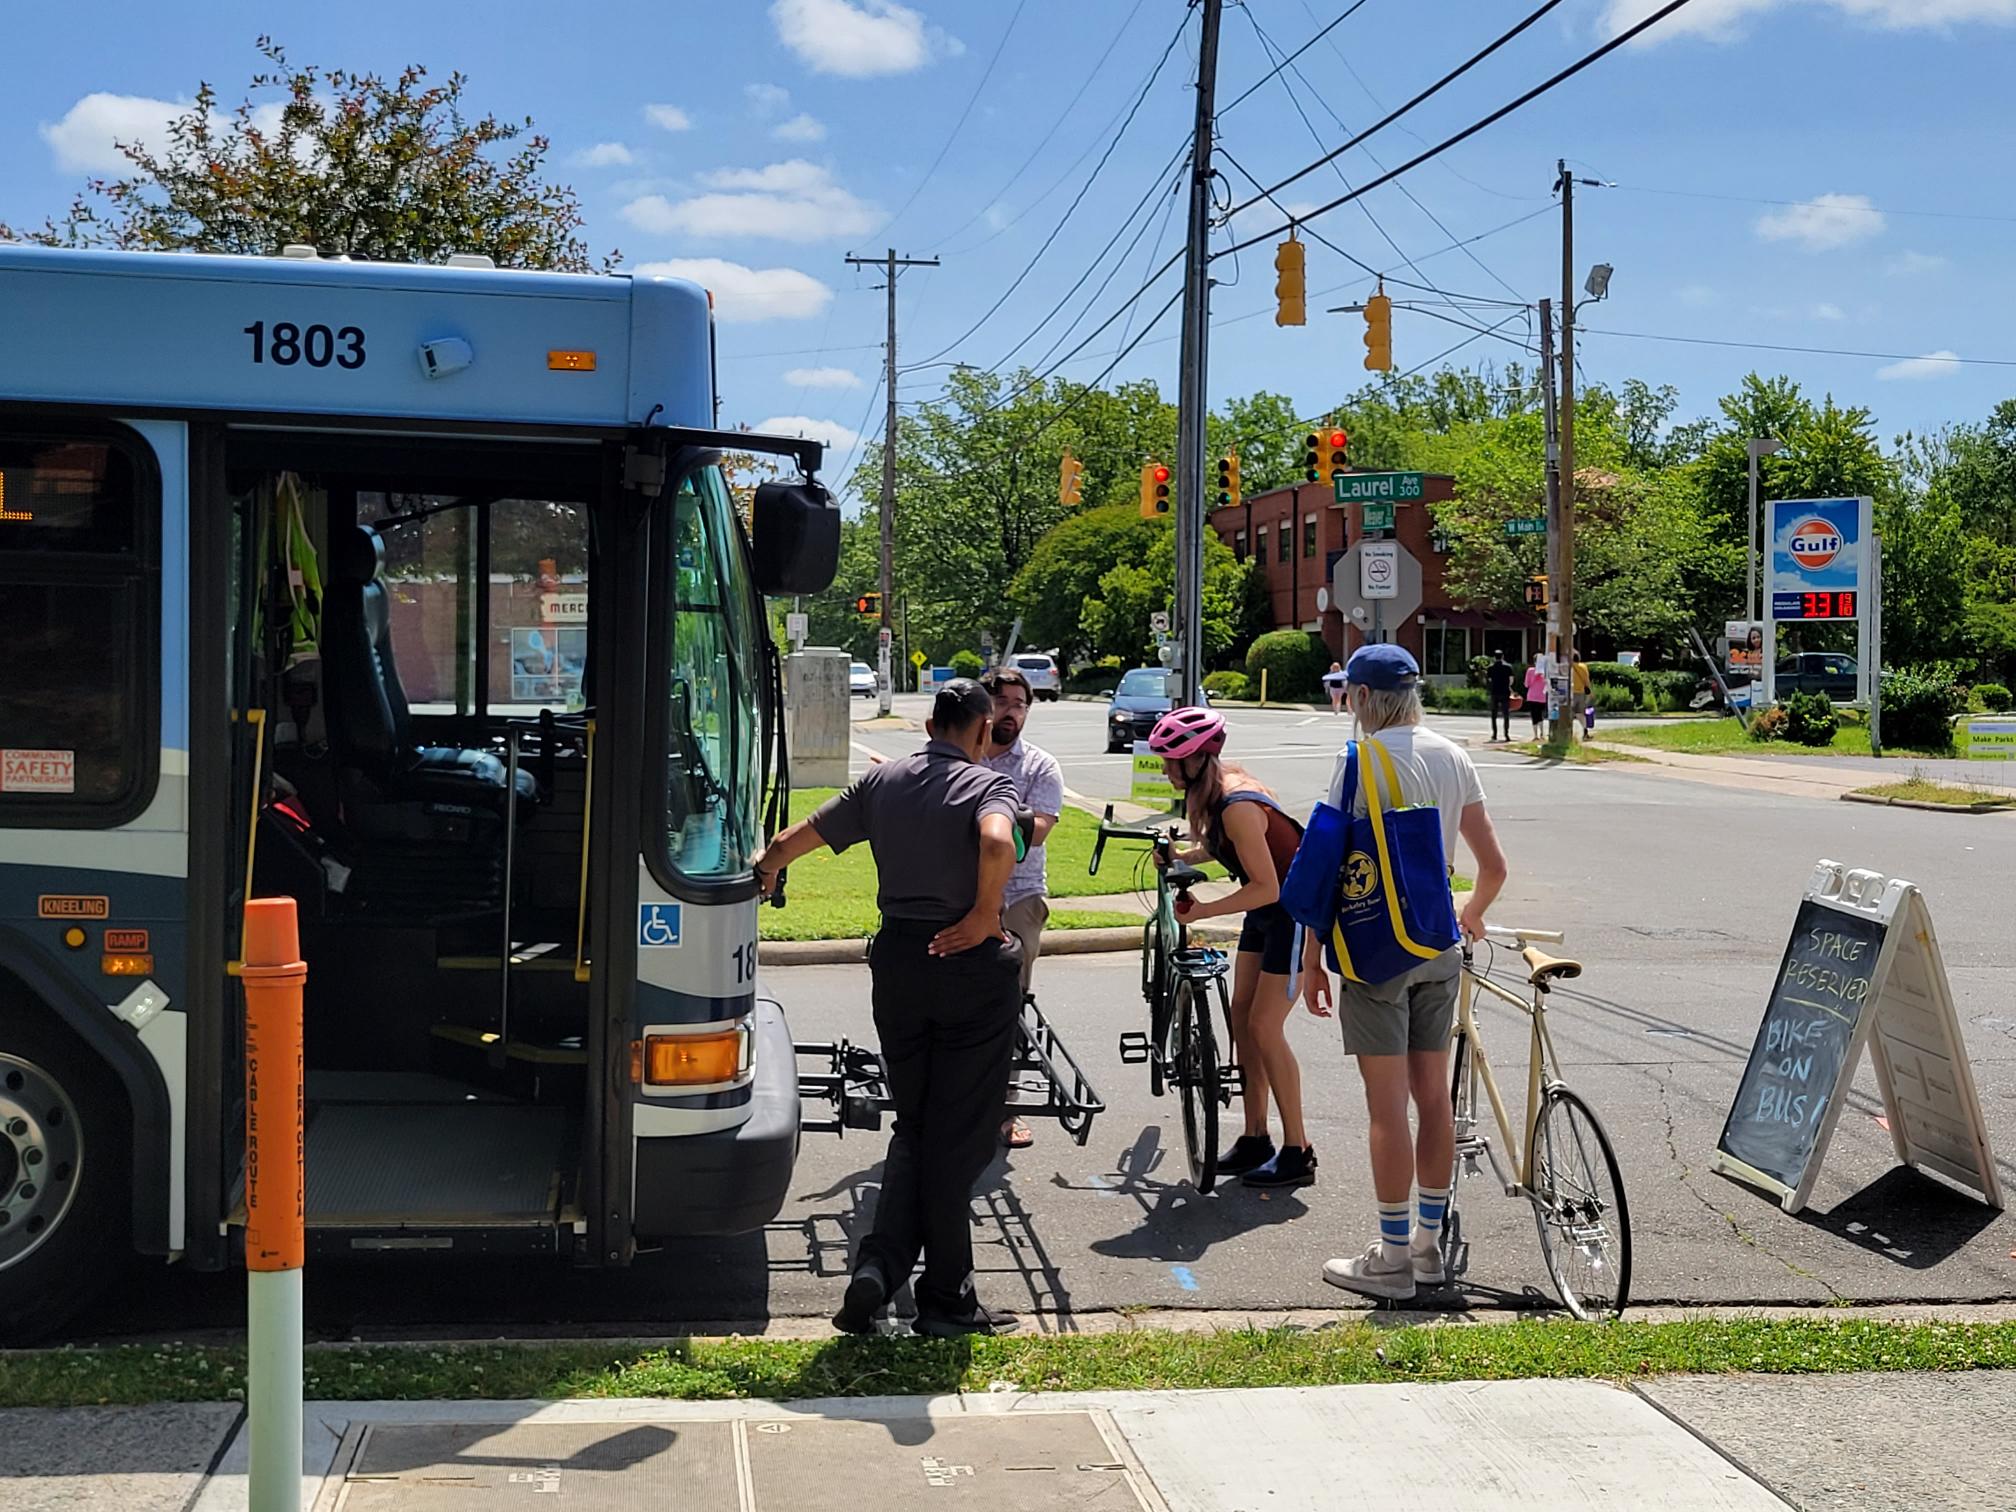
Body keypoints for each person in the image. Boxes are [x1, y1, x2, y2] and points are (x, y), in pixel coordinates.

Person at [752, 679, 1024, 1337]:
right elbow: (997, 843)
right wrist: (986, 915)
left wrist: (766, 869)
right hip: (967, 970)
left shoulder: (882, 783)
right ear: (983, 732)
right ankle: (947, 1298)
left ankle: (879, 1269)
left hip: (899, 963)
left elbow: (792, 840)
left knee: (920, 1125)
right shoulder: (990, 787)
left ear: (930, 724)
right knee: (957, 1139)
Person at [1308, 645, 1507, 1301]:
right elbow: (1493, 868)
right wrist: (1470, 912)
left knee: (1386, 1108)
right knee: (1433, 1100)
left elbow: (1323, 866)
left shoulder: (1358, 761)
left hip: (1376, 957)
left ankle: (1390, 1259)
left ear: (1363, 697)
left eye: (1347, 694)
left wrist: (1311, 958)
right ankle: (1427, 1248)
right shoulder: (1454, 755)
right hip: (1437, 945)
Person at [1148, 706, 1324, 1189]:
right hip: (1265, 916)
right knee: (1241, 1020)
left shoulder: (1238, 803)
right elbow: (1227, 848)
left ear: (1201, 759)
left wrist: (1203, 912)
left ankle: (1298, 1150)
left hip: (1290, 914)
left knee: (1266, 1028)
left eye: (1172, 760)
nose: (1165, 769)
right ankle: (1254, 1138)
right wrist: (1184, 855)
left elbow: (1266, 885)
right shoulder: (1214, 794)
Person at [979, 665, 1064, 1150]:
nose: (1011, 713)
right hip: (959, 895)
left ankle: (1007, 1106)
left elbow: (1037, 832)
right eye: (1002, 702)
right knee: (956, 1001)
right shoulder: (963, 756)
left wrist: (982, 828)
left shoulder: (1038, 767)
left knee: (1010, 1004)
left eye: (1019, 705)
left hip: (1019, 899)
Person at [1486, 651, 1515, 742]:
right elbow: (1511, 680)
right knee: (1506, 714)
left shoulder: (1490, 668)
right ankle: (1506, 734)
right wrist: (1507, 686)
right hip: (1505, 692)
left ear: (1494, 657)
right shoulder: (1508, 667)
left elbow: (1489, 680)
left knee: (1494, 714)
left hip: (1494, 692)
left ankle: (1494, 734)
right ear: (1502, 656)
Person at [1523, 655, 1548, 737]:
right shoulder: (1546, 672)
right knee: (1540, 715)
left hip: (1532, 696)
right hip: (1542, 696)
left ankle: (1535, 735)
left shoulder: (1530, 671)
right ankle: (1542, 733)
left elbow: (1527, 684)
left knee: (1534, 715)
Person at [1572, 652, 1593, 736]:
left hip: (1571, 692)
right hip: (1581, 692)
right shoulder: (1583, 667)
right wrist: (1590, 691)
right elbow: (1587, 680)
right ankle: (1585, 730)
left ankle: (1568, 733)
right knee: (1580, 713)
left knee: (1569, 713)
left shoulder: (1570, 667)